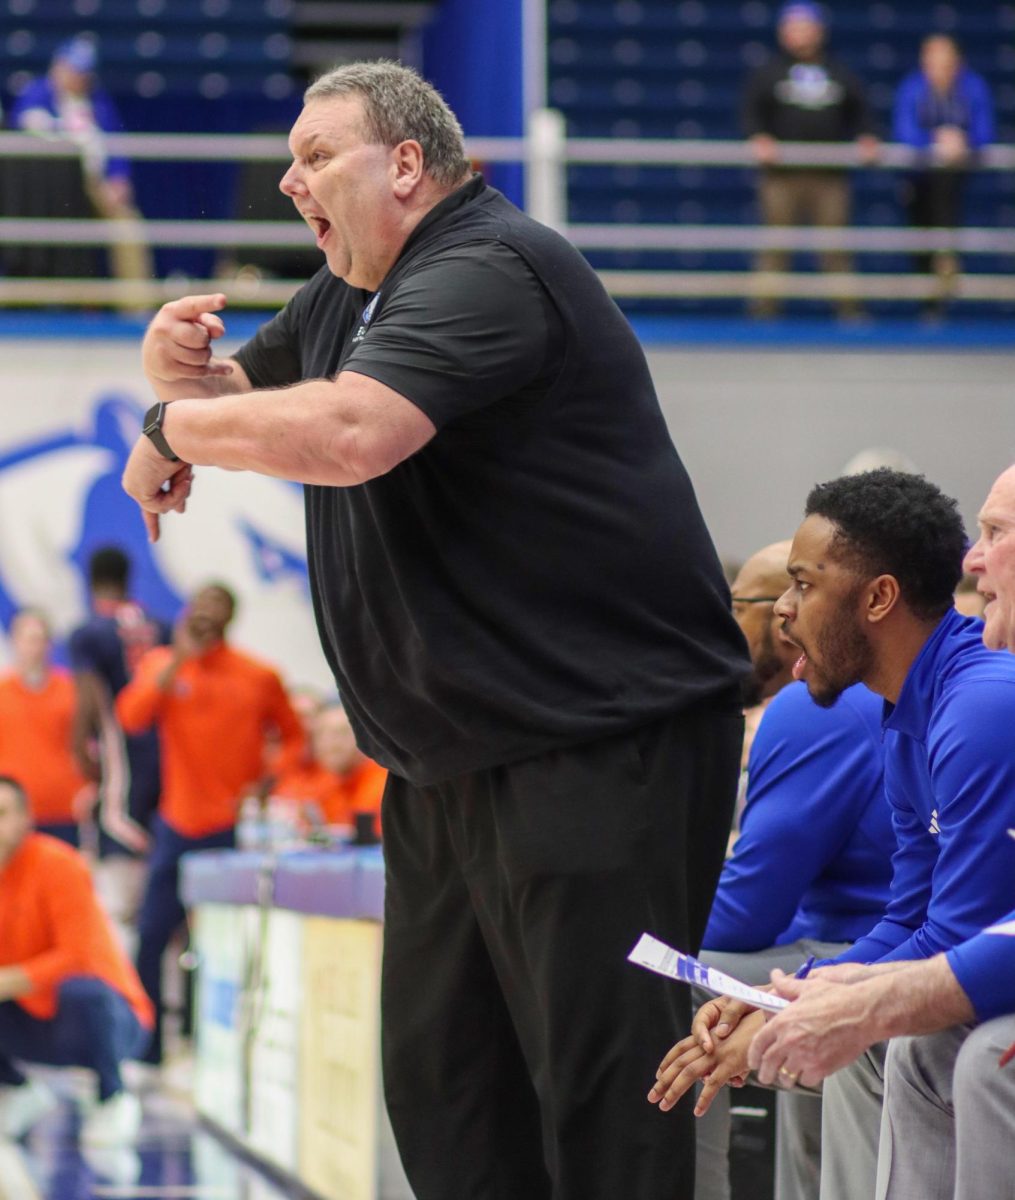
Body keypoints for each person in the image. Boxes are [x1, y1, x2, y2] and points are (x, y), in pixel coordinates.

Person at [120, 61, 749, 1200]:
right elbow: (241, 408)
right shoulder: (344, 297)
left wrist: (170, 426)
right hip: (446, 763)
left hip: (599, 747)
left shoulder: (487, 265)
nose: (286, 178)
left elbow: (353, 431)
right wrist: (180, 386)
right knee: (448, 1097)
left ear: (406, 164)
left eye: (317, 156)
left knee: (602, 1105)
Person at [647, 469, 1015, 1200]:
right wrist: (784, 1000)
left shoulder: (980, 707)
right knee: (870, 1035)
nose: (785, 611)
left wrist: (803, 1007)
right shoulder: (903, 716)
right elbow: (908, 918)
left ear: (876, 598)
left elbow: (953, 933)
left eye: (802, 585)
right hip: (947, 956)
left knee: (922, 1046)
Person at [695, 542, 893, 1200]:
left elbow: (748, 914)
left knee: (672, 978)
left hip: (869, 945)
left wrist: (638, 924)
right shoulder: (857, 698)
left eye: (740, 606)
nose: (768, 615)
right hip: (871, 939)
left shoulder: (817, 706)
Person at [116, 583, 304, 1065]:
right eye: (198, 606)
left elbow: (293, 738)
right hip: (178, 821)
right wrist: (179, 658)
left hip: (230, 826)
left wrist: (268, 780)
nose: (205, 614)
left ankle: (209, 1044)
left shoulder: (259, 675)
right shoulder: (163, 664)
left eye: (215, 607)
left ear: (231, 616)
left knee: (217, 941)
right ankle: (147, 1044)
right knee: (153, 934)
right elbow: (132, 718)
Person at [0, 775, 151, 1145]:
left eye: (1, 813)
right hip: (35, 1021)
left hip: (113, 1020)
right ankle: (16, 1089)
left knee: (83, 991)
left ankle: (113, 1096)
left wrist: (10, 980)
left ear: (25, 818)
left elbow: (77, 956)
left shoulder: (58, 864)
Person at [741, 2, 879, 318]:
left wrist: (867, 136)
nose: (801, 34)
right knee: (776, 246)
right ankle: (762, 312)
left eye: (807, 27)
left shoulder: (839, 71)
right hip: (782, 176)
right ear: (783, 32)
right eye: (794, 27)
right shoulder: (769, 72)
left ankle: (850, 312)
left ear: (819, 31)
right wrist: (759, 137)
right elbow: (751, 112)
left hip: (829, 176)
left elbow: (861, 113)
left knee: (835, 247)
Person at [69, 547, 170, 933]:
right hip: (167, 766)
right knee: (162, 892)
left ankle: (125, 989)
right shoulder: (160, 626)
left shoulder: (90, 633)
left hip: (122, 768)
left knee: (120, 902)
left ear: (91, 581)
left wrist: (82, 755)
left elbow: (90, 703)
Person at [10, 35, 153, 304]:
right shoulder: (37, 92)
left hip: (95, 183)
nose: (79, 78)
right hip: (53, 189)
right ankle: (58, 302)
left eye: (84, 72)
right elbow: (28, 126)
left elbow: (115, 143)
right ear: (58, 67)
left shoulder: (98, 101)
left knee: (128, 228)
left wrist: (118, 178)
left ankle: (137, 308)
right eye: (74, 70)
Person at [892, 35, 995, 301]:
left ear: (958, 62)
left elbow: (985, 130)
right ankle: (931, 295)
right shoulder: (913, 87)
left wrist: (965, 141)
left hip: (957, 177)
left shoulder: (972, 87)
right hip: (917, 179)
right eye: (932, 60)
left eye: (945, 61)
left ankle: (946, 253)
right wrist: (935, 140)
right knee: (921, 236)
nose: (939, 67)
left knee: (945, 188)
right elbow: (904, 132)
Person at [0, 609, 93, 847]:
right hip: (11, 814)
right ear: (14, 642)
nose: (35, 647)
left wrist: (89, 788)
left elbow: (89, 745)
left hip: (64, 808)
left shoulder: (70, 691)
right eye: (29, 639)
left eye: (41, 639)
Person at [273, 701, 387, 836]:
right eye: (321, 735)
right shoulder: (326, 783)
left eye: (341, 734)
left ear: (365, 737)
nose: (330, 744)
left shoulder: (382, 784)